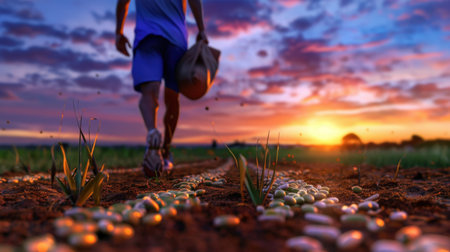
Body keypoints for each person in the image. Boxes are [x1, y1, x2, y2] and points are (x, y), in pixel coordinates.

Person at [115, 0, 208, 177]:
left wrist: (119, 32)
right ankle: (163, 148)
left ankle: (153, 135)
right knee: (171, 98)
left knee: (150, 90)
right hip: (172, 39)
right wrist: (201, 29)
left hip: (149, 37)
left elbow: (123, 3)